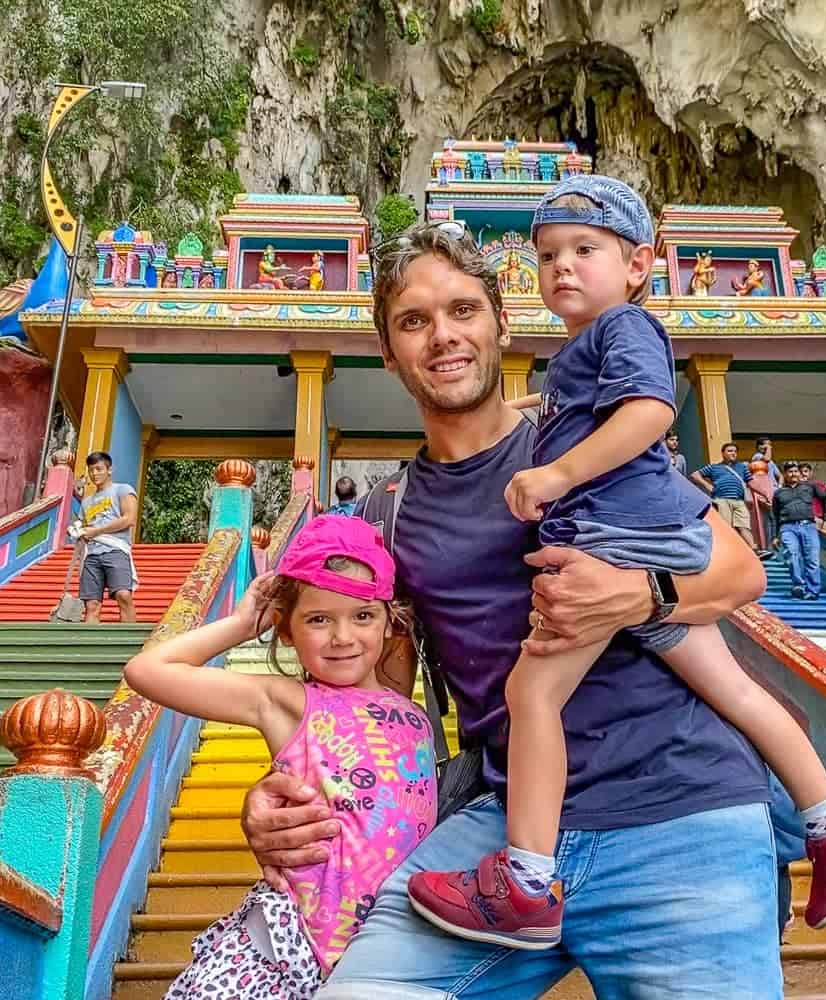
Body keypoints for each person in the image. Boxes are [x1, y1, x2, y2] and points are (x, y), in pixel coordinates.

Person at [242, 221, 792, 997]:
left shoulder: (584, 448)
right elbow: (368, 713)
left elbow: (739, 573)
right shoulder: (385, 518)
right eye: (414, 322)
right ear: (389, 352)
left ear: (502, 323)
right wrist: (278, 794)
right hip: (503, 834)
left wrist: (638, 595)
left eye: (464, 310)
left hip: (680, 811)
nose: (443, 337)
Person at [401, 178, 826, 952]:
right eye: (548, 255)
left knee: (533, 689)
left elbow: (654, 415)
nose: (563, 268)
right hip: (639, 534)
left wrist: (558, 479)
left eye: (584, 251)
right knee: (731, 682)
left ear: (639, 264)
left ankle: (528, 882)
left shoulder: (622, 329)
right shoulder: (579, 357)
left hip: (619, 536)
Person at [124, 516, 436, 999]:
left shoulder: (411, 714)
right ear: (286, 629)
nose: (342, 637)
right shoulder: (287, 701)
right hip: (288, 937)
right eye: (318, 619)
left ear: (389, 620)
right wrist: (242, 624)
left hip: (381, 946)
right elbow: (147, 670)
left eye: (362, 616)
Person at [78, 451, 138, 624]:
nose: (94, 474)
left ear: (109, 470)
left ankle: (129, 642)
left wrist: (96, 531)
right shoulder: (86, 502)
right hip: (91, 555)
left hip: (116, 550)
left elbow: (129, 519)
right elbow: (84, 527)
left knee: (123, 595)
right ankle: (88, 647)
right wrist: (79, 531)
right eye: (91, 470)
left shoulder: (123, 490)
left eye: (99, 469)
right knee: (91, 605)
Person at [691, 442, 772, 559]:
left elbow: (751, 483)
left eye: (734, 451)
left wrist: (764, 493)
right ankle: (727, 551)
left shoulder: (742, 467)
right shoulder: (714, 467)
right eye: (730, 451)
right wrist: (707, 486)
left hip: (739, 501)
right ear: (723, 453)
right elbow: (695, 475)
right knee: (726, 527)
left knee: (744, 526)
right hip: (722, 500)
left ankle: (755, 550)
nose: (733, 453)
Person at [772, 461, 826, 600]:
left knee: (812, 559)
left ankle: (813, 590)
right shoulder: (779, 493)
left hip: (808, 526)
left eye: (796, 471)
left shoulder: (810, 487)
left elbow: (824, 499)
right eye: (790, 472)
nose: (793, 474)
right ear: (785, 474)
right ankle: (798, 585)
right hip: (787, 527)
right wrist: (775, 536)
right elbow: (775, 515)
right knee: (791, 555)